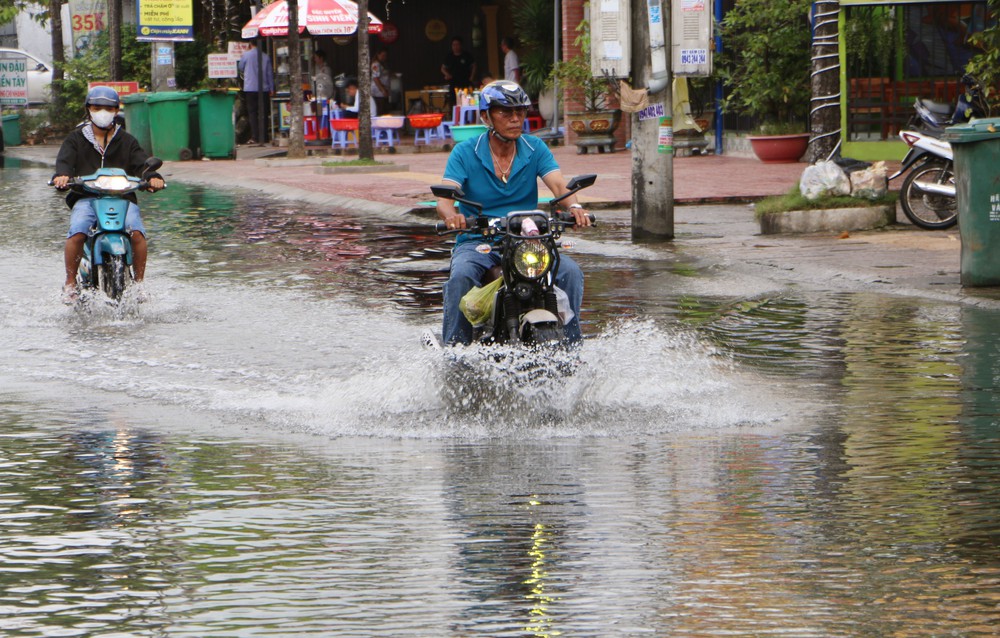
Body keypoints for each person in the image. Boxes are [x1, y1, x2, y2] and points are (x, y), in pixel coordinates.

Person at [436, 80, 591, 346]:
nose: (515, 119)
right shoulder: (465, 152)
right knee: (461, 276)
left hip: (528, 242)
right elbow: (445, 196)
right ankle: (455, 350)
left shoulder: (535, 148)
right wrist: (452, 216)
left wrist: (574, 207)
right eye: (505, 113)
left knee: (571, 273)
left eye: (519, 112)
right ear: (486, 116)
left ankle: (571, 347)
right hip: (478, 242)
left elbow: (558, 185)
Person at [53, 86, 165, 303]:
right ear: (88, 110)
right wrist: (63, 176)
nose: (102, 112)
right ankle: (70, 283)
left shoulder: (127, 140)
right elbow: (64, 162)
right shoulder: (75, 139)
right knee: (77, 232)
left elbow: (141, 164)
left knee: (137, 234)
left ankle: (139, 285)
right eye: (97, 107)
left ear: (116, 110)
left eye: (108, 108)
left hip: (122, 198)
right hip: (86, 197)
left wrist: (152, 178)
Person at [238, 40, 275, 145]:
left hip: (250, 88)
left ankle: (255, 137)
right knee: (263, 113)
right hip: (263, 89)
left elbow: (240, 67)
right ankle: (264, 136)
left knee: (252, 113)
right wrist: (272, 88)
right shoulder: (266, 57)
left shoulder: (247, 55)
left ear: (250, 44)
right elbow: (269, 74)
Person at [441, 37, 477, 107]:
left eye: (457, 44)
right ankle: (454, 116)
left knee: (466, 101)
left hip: (465, 82)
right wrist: (447, 74)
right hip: (453, 83)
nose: (456, 47)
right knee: (454, 102)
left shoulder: (466, 55)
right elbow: (442, 68)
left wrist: (471, 77)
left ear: (461, 45)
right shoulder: (449, 56)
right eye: (454, 45)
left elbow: (474, 66)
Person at [371, 49, 390, 116]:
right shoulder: (375, 64)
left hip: (383, 91)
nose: (384, 57)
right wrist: (383, 90)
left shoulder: (382, 64)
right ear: (378, 55)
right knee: (380, 110)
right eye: (382, 55)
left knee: (384, 110)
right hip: (378, 92)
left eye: (385, 55)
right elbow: (375, 78)